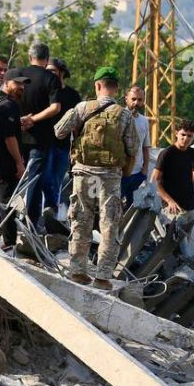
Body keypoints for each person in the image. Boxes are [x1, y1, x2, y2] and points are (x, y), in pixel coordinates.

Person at [53, 66, 139, 290]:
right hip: (110, 177)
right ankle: (102, 276)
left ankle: (77, 271)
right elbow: (133, 147)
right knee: (109, 224)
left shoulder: (83, 107)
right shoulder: (125, 115)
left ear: (97, 86)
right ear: (117, 88)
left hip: (83, 174)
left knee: (81, 221)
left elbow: (59, 131)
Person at [16, 42, 62, 230]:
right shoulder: (51, 79)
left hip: (16, 135)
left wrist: (20, 119)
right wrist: (33, 119)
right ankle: (31, 222)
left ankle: (8, 218)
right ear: (47, 59)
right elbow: (55, 107)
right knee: (34, 179)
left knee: (15, 177)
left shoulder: (18, 74)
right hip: (40, 139)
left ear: (30, 57)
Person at [0, 69, 29, 249]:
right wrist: (19, 163)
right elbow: (9, 138)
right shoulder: (8, 106)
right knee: (8, 203)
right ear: (6, 83)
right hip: (6, 163)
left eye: (23, 84)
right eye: (17, 83)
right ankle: (9, 243)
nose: (21, 87)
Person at [46, 57, 79, 214]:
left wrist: (76, 150)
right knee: (45, 180)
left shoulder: (72, 95)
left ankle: (52, 212)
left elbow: (77, 124)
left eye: (53, 71)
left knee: (57, 181)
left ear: (62, 72)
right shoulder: (44, 91)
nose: (49, 74)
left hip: (64, 146)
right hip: (45, 144)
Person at [152, 120, 194, 222]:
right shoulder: (167, 153)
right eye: (183, 134)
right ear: (176, 133)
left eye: (189, 136)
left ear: (193, 137)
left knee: (186, 232)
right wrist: (169, 201)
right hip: (172, 207)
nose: (185, 138)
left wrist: (191, 185)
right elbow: (155, 180)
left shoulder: (192, 153)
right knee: (171, 231)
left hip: (189, 205)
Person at [121, 86, 152, 208]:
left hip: (138, 174)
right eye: (133, 99)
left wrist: (144, 170)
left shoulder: (144, 121)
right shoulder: (118, 117)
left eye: (140, 100)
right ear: (126, 99)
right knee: (115, 207)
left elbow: (146, 147)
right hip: (120, 173)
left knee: (134, 208)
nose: (136, 103)